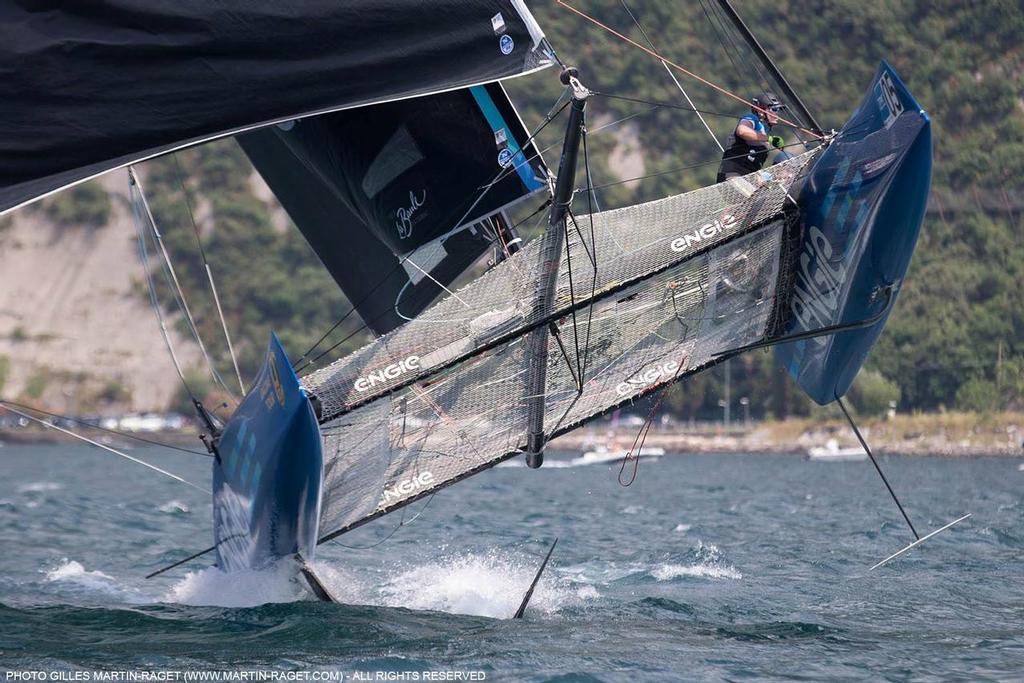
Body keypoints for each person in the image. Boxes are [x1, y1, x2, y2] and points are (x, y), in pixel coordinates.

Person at [716, 91, 786, 183]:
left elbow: (752, 167)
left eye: (778, 110)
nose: (777, 114)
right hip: (732, 175)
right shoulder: (753, 119)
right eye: (774, 110)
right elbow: (742, 130)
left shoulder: (763, 131)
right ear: (761, 110)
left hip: (746, 178)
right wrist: (769, 139)